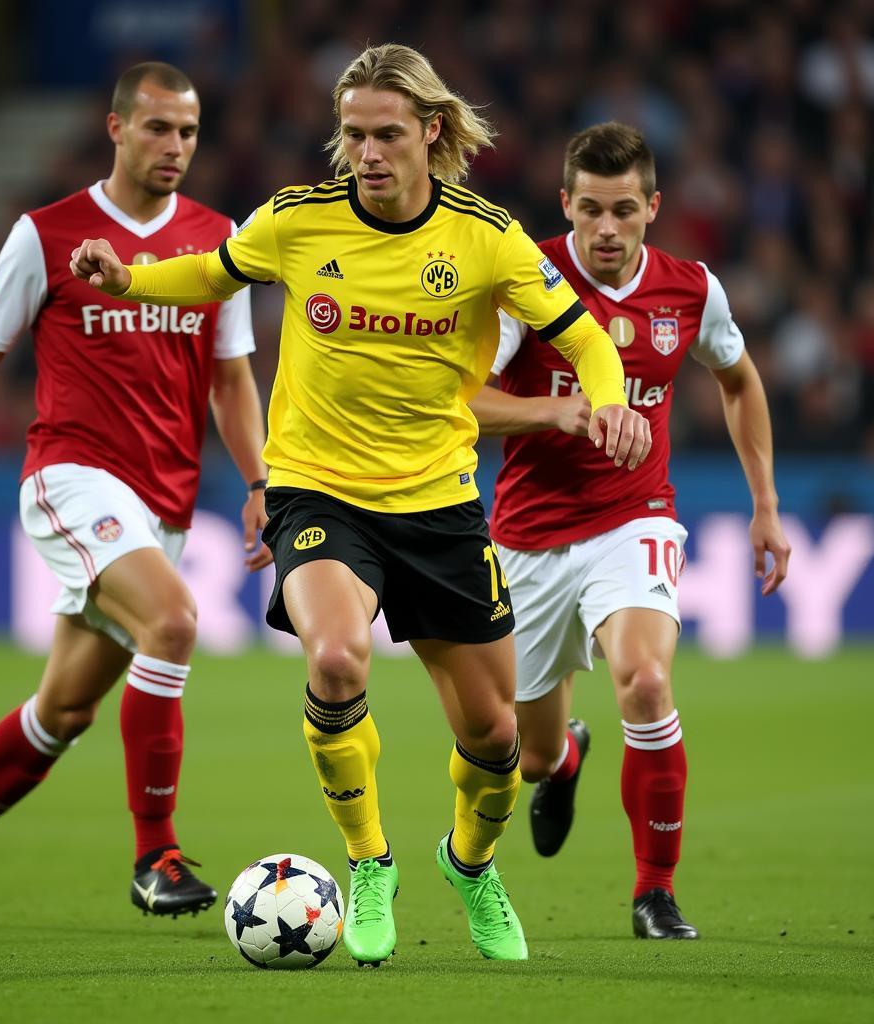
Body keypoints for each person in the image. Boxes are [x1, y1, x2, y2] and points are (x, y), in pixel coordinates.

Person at [71, 45, 651, 965]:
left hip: (441, 506)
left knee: (496, 735)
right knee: (338, 659)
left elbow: (584, 338)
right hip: (318, 489)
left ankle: (469, 865)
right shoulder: (298, 222)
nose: (368, 152)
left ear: (429, 131)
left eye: (386, 133)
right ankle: (368, 860)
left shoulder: (484, 236)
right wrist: (128, 279)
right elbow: (211, 271)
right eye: (353, 135)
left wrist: (609, 400)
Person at [0, 62, 270, 925]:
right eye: (158, 128)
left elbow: (232, 382)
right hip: (71, 479)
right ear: (116, 129)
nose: (175, 146)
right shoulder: (46, 234)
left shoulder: (216, 240)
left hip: (163, 506)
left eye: (189, 131)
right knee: (177, 621)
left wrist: (263, 483)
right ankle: (155, 854)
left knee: (65, 710)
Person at [470, 121, 791, 939]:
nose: (605, 230)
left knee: (646, 683)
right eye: (589, 211)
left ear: (653, 207)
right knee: (528, 753)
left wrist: (765, 505)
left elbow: (740, 380)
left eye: (622, 211)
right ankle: (566, 755)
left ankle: (655, 892)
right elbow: (460, 399)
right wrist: (556, 412)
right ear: (565, 205)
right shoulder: (524, 282)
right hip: (528, 537)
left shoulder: (692, 290)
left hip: (635, 517)